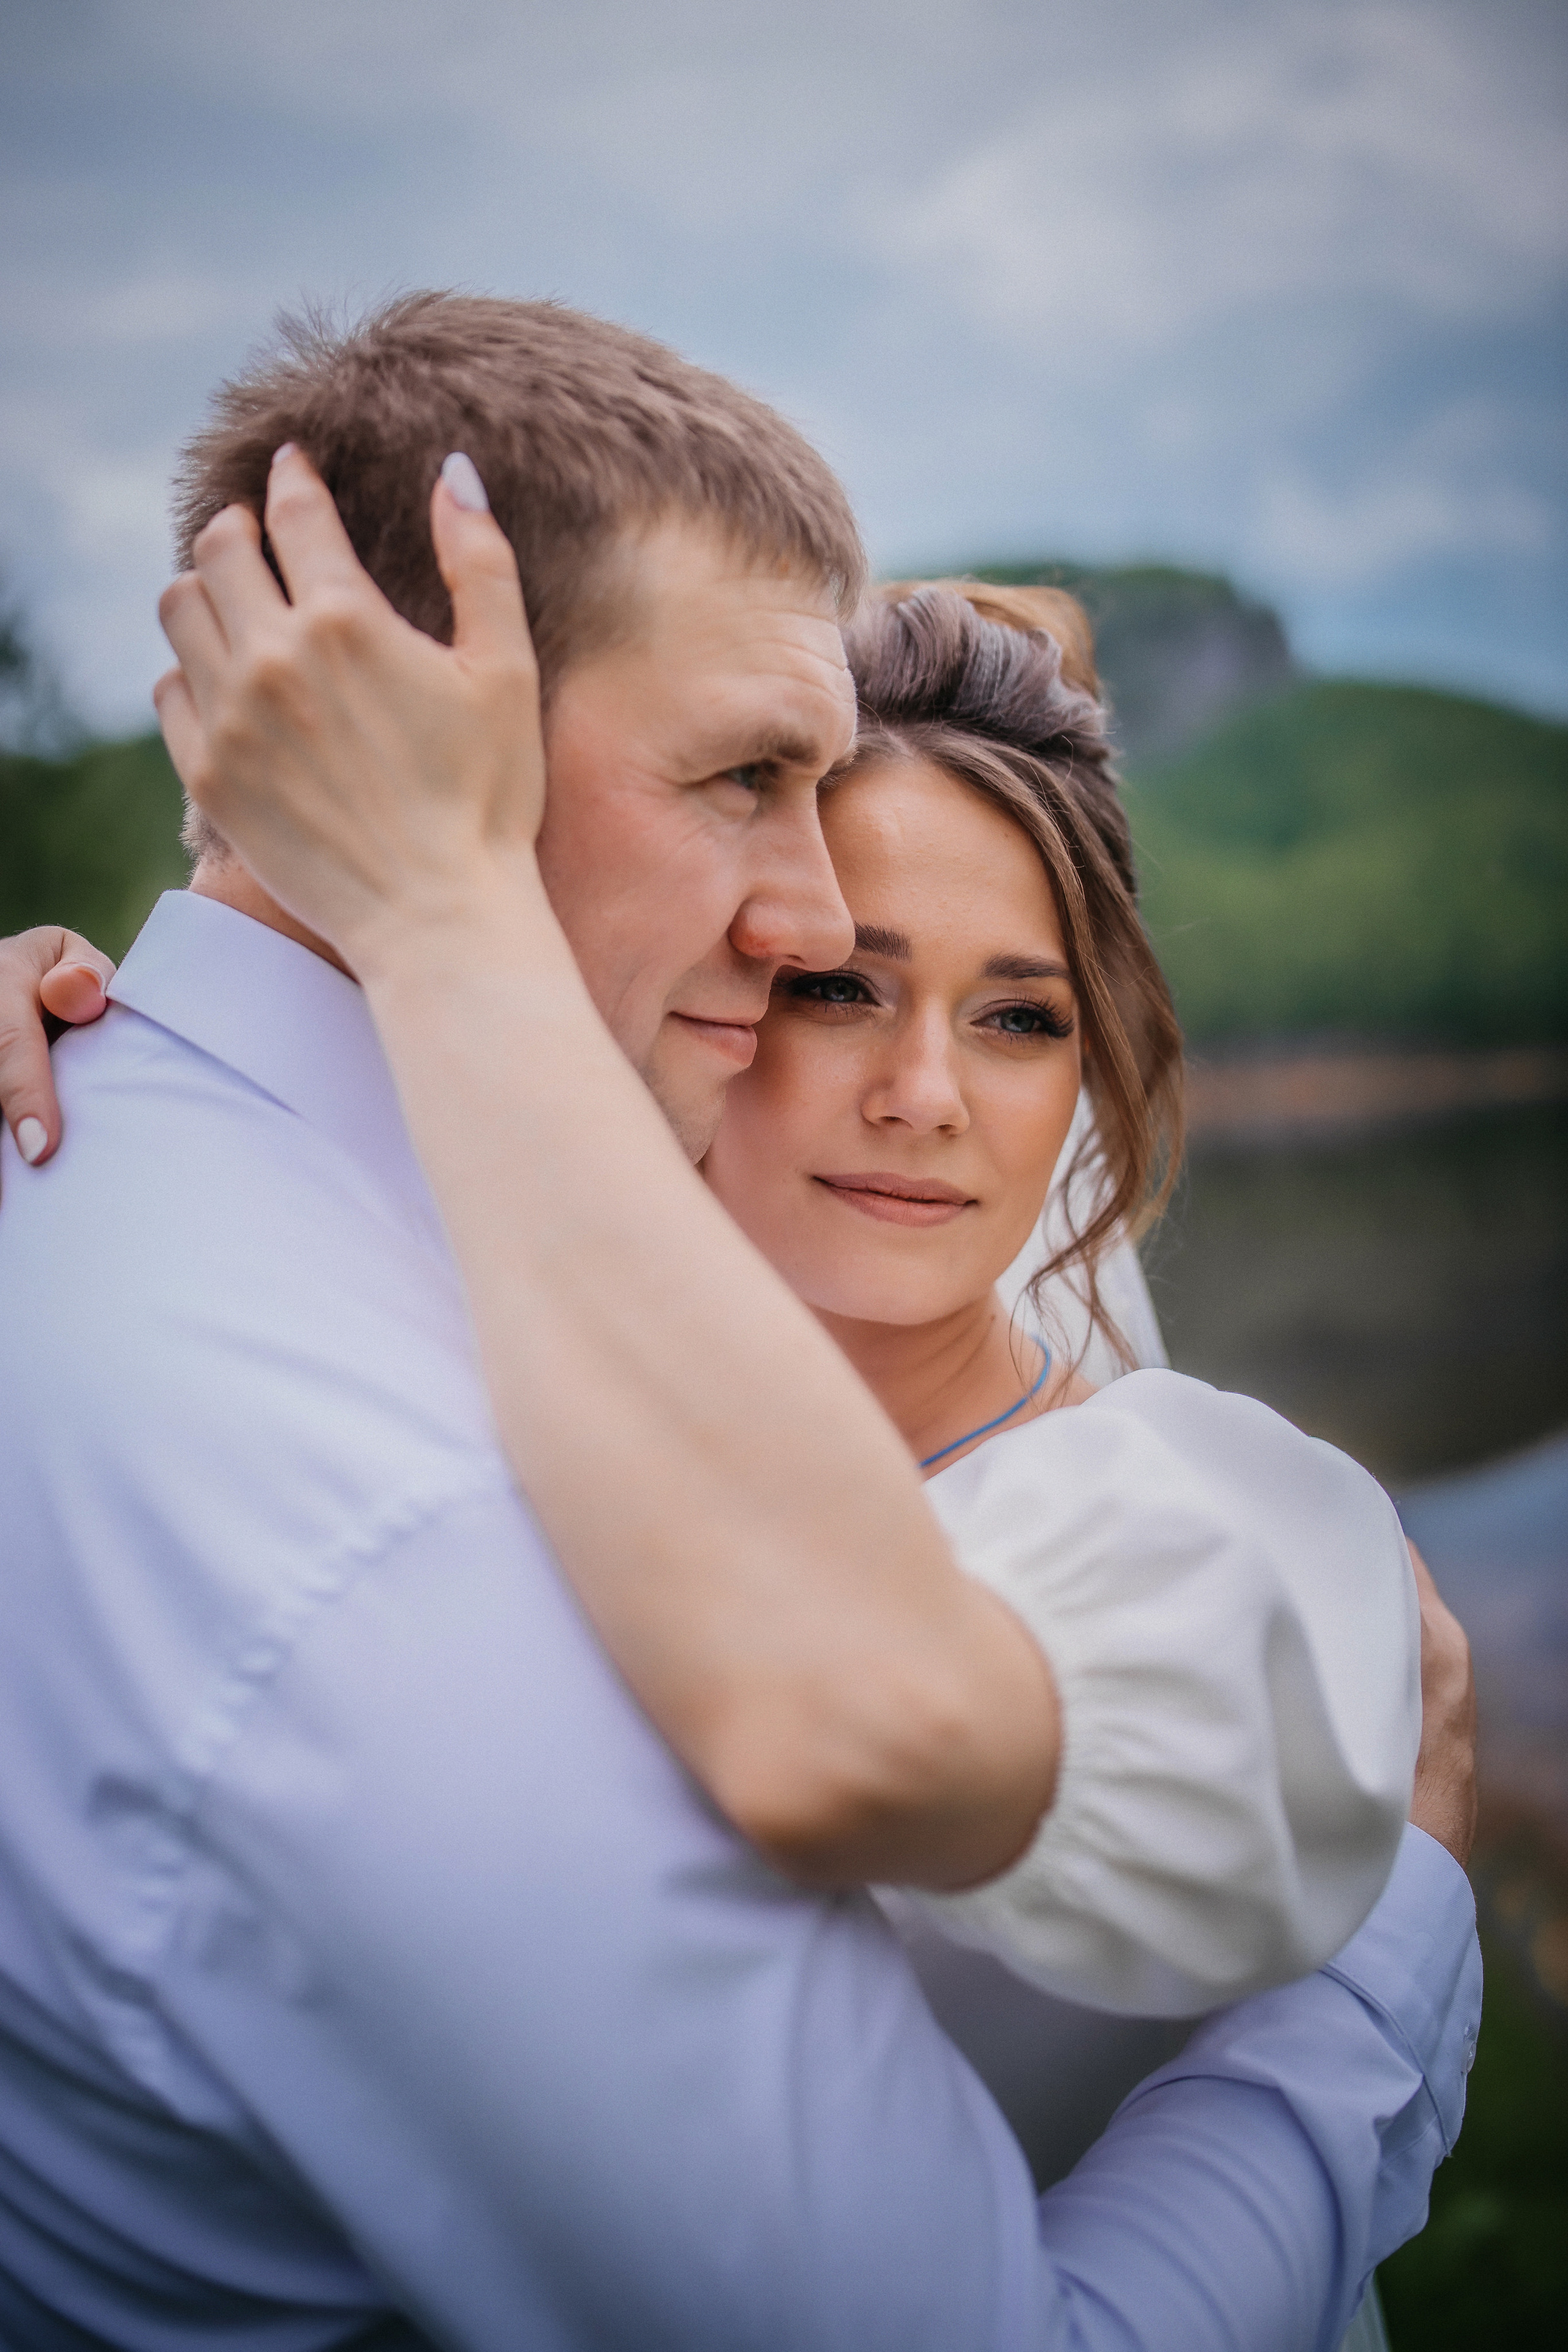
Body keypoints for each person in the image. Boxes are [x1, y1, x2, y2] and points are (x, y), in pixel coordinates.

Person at [0, 293, 1479, 2350]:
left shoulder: (109, 1174)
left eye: (1024, 1017)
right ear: (408, 747)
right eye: (747, 785)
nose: (803, 940)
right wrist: (1385, 1952)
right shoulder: (411, 1539)